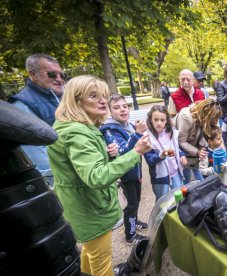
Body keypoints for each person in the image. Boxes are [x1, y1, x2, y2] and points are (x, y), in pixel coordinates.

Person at [47, 75, 151, 276]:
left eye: (103, 95)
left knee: (90, 253)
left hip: (83, 206)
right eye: (94, 96)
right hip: (90, 208)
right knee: (102, 263)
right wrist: (136, 152)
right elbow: (96, 177)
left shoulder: (78, 128)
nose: (103, 101)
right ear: (76, 101)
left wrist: (107, 154)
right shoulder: (77, 133)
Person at [10, 54, 66, 187]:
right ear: (33, 74)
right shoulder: (22, 105)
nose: (59, 79)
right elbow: (37, 155)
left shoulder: (62, 98)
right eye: (52, 74)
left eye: (62, 75)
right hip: (58, 180)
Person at [100, 94, 148, 245]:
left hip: (135, 172)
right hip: (125, 175)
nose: (122, 110)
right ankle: (130, 235)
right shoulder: (109, 130)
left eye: (125, 106)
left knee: (136, 201)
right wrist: (137, 134)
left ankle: (135, 222)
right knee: (130, 205)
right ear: (110, 111)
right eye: (116, 107)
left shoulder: (129, 126)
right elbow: (122, 153)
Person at [144, 105, 186, 201]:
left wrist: (182, 155)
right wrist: (161, 155)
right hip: (161, 178)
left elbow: (176, 149)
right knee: (162, 201)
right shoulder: (147, 138)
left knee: (181, 199)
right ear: (150, 119)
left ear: (166, 120)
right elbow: (149, 160)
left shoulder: (171, 133)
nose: (159, 123)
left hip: (175, 173)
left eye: (162, 120)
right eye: (156, 120)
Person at [175, 99, 222, 184]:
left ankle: (201, 187)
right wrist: (197, 151)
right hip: (183, 149)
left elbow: (206, 132)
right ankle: (186, 193)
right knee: (187, 174)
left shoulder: (209, 117)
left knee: (196, 170)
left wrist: (202, 148)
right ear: (206, 115)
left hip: (194, 147)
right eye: (214, 118)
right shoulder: (186, 117)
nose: (216, 121)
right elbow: (181, 141)